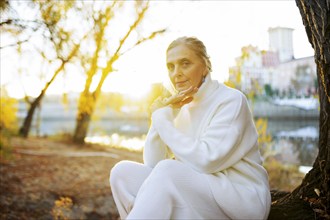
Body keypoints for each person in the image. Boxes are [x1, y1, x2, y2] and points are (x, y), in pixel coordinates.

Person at [109, 36, 271, 219]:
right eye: (170, 67)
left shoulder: (230, 100)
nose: (176, 73)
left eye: (185, 63)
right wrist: (160, 116)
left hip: (241, 199)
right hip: (200, 191)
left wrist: (161, 119)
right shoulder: (179, 106)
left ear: (205, 66)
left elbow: (206, 160)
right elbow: (153, 164)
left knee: (168, 170)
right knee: (121, 173)